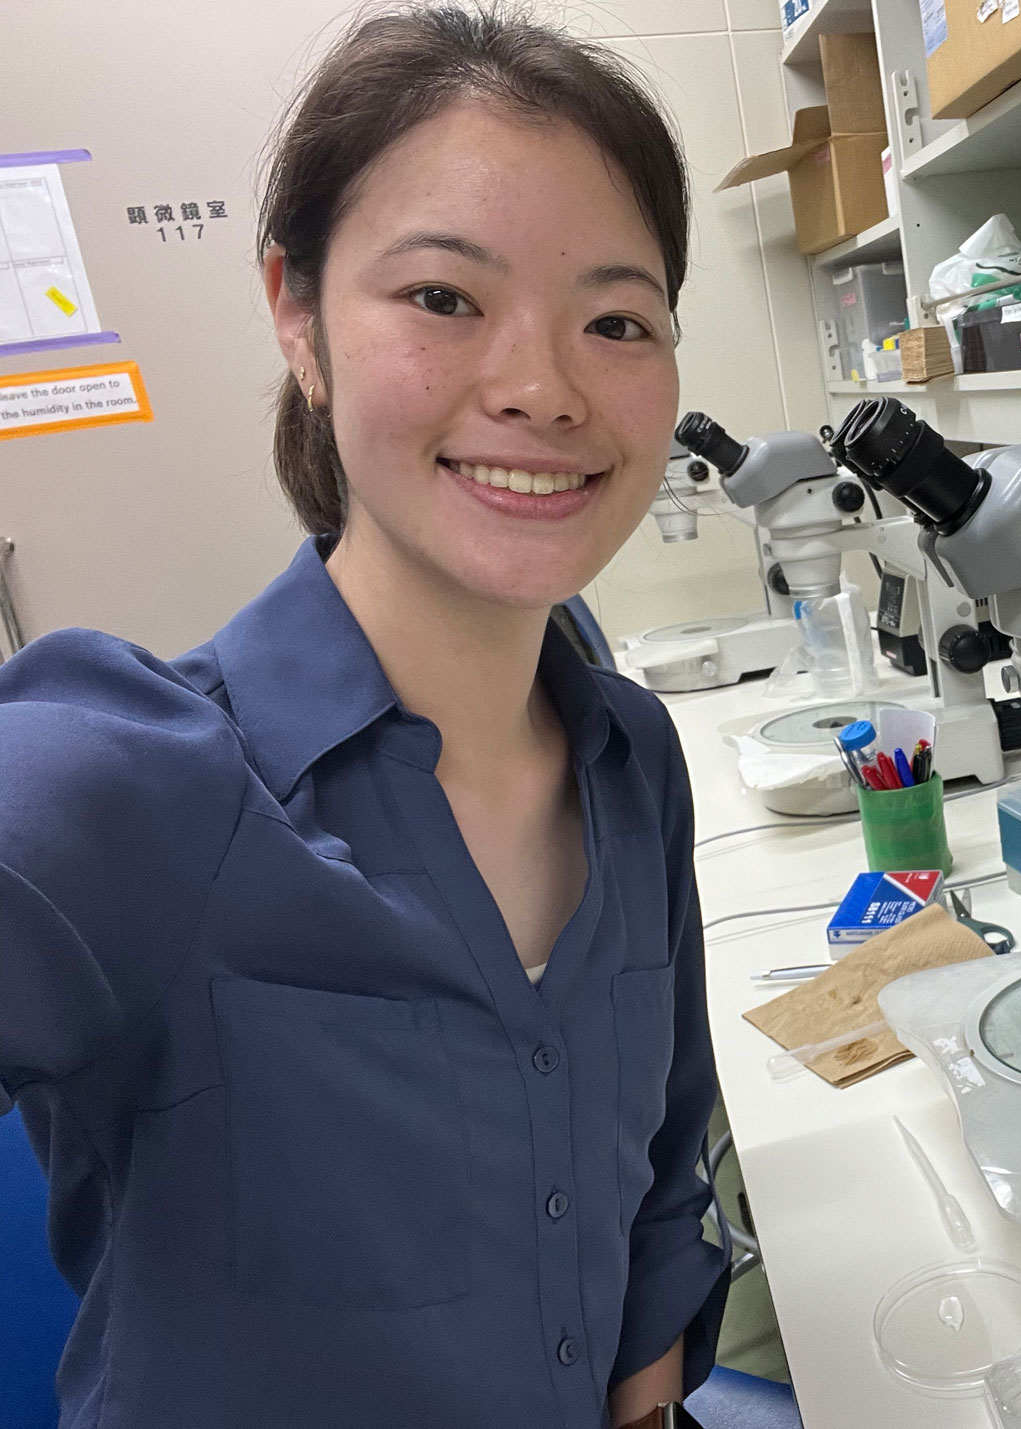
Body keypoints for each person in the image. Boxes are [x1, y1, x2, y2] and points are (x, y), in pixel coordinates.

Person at [0, 8, 727, 1425]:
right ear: (300, 315)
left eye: (617, 320)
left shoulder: (634, 759)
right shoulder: (124, 787)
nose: (542, 387)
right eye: (445, 299)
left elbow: (658, 1174)